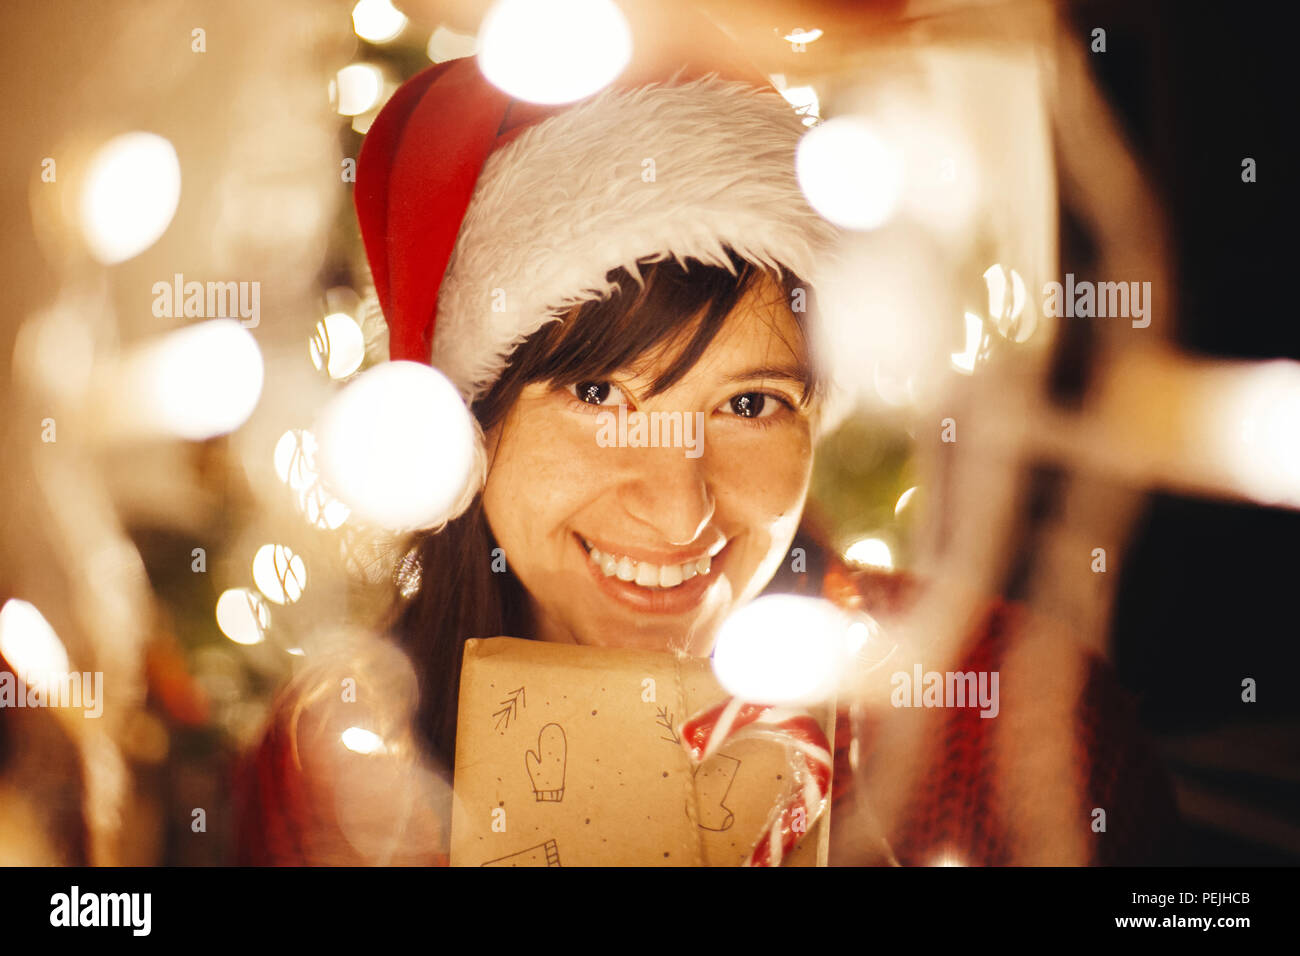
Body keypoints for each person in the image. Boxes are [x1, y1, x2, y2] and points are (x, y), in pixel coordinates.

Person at [235, 24, 1178, 866]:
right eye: (601, 394)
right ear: (470, 426)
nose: (680, 507)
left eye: (752, 404)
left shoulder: (1015, 723)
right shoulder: (338, 760)